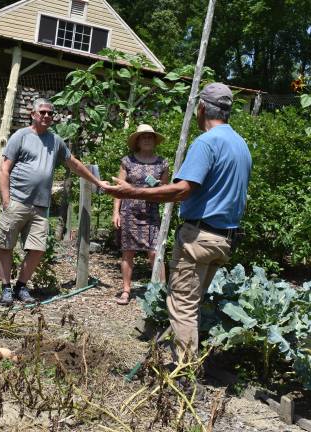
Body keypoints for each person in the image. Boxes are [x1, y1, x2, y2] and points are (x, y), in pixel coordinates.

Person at [104, 83, 252, 359]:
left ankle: (183, 372)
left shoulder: (207, 142)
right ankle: (183, 358)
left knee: (182, 305)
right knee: (192, 304)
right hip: (225, 238)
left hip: (198, 238)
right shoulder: (240, 144)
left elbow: (182, 189)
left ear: (202, 108)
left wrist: (131, 191)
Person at [0, 97, 108, 306]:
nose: (47, 116)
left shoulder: (55, 140)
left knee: (37, 249)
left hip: (40, 206)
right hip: (17, 201)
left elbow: (73, 163)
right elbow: (4, 169)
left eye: (50, 113)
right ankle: (5, 288)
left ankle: (21, 286)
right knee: (6, 245)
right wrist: (6, 200)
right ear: (33, 114)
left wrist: (97, 181)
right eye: (43, 112)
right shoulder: (20, 136)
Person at [112, 124, 169, 305]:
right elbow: (119, 188)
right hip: (129, 212)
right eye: (143, 137)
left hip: (151, 212)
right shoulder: (127, 161)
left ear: (154, 141)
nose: (146, 139)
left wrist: (158, 186)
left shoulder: (162, 163)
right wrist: (116, 212)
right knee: (128, 252)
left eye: (150, 137)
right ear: (137, 140)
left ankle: (161, 292)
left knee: (155, 253)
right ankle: (126, 290)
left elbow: (166, 191)